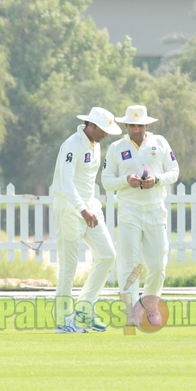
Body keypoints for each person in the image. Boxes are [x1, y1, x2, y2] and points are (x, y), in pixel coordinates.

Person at [102, 105, 179, 326]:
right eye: (132, 125)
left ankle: (150, 305)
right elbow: (106, 180)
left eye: (140, 125)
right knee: (130, 264)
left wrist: (157, 179)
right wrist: (126, 181)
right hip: (129, 210)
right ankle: (132, 313)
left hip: (155, 209)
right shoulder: (116, 147)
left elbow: (174, 172)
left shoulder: (160, 143)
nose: (136, 129)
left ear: (146, 125)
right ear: (126, 125)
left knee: (157, 264)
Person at [51, 107, 120, 333]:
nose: (106, 135)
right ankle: (63, 321)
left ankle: (84, 308)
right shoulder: (72, 145)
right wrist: (82, 210)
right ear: (91, 125)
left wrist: (89, 208)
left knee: (108, 255)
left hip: (90, 207)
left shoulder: (95, 144)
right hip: (69, 210)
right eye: (103, 130)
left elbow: (86, 182)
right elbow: (66, 182)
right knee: (68, 268)